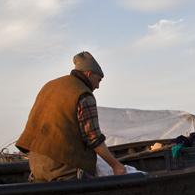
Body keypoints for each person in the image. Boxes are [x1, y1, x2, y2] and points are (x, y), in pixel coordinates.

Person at [16, 51, 126, 181]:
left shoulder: (49, 86)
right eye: (98, 80)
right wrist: (116, 165)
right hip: (62, 169)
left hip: (36, 167)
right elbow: (93, 138)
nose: (97, 86)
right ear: (89, 75)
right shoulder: (83, 94)